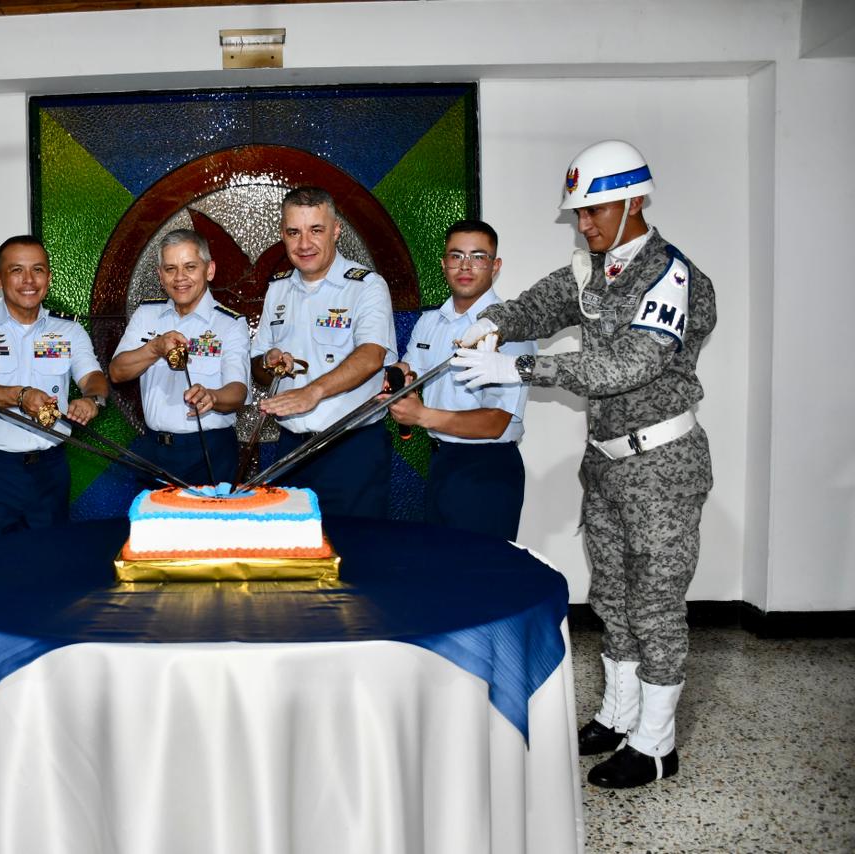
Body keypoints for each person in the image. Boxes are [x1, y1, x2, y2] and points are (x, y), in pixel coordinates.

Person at [451, 140, 716, 789]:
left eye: (595, 212)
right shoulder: (591, 269)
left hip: (663, 464)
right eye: (579, 214)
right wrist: (496, 322)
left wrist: (519, 365)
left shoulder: (672, 279)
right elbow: (537, 307)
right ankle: (619, 715)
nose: (585, 224)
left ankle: (657, 741)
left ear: (633, 203)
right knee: (613, 596)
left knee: (654, 602)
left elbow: (625, 367)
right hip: (606, 462)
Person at [0, 235, 108, 541]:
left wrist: (92, 400)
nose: (29, 280)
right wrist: (20, 396)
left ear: (48, 276)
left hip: (50, 470)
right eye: (17, 270)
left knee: (49, 569)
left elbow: (93, 377)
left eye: (38, 269)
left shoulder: (68, 329)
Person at [250, 186, 396, 518]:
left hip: (350, 450)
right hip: (291, 448)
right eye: (294, 232)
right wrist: (268, 362)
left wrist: (313, 392)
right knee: (294, 557)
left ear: (336, 231)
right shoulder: (278, 288)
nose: (304, 244)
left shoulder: (367, 286)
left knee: (355, 555)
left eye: (316, 230)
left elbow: (372, 355)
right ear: (282, 236)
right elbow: (257, 366)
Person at [386, 219, 535, 541]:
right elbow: (411, 368)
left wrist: (422, 416)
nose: (465, 266)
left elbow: (496, 421)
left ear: (495, 266)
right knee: (444, 574)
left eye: (478, 256)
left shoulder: (512, 328)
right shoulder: (431, 321)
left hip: (487, 469)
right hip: (442, 461)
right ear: (443, 264)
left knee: (483, 579)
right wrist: (392, 379)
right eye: (456, 256)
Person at [108, 229, 249, 486]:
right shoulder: (146, 315)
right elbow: (117, 372)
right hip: (155, 450)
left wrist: (213, 396)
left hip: (210, 451)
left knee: (210, 524)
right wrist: (154, 348)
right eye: (170, 269)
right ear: (160, 276)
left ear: (209, 270)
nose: (180, 277)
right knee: (154, 526)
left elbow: (238, 392)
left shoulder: (230, 323)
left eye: (190, 267)